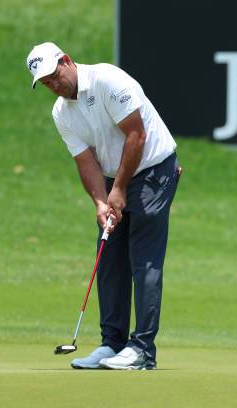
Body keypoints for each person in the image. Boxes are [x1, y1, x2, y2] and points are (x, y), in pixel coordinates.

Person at [26, 42, 180, 370]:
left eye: (55, 76)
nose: (54, 85)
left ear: (66, 61)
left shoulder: (108, 80)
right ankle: (112, 344)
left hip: (154, 170)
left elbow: (136, 135)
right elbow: (85, 161)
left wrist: (120, 189)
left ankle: (142, 350)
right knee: (108, 258)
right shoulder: (61, 112)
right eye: (46, 84)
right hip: (114, 177)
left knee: (144, 261)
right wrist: (100, 201)